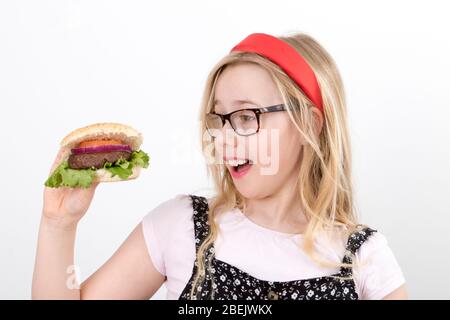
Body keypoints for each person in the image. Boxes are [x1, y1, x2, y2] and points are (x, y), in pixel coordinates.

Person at [32, 32, 407, 300]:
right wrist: (58, 224)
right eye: (218, 119)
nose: (223, 139)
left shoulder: (363, 259)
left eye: (246, 117)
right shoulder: (180, 225)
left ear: (309, 124)